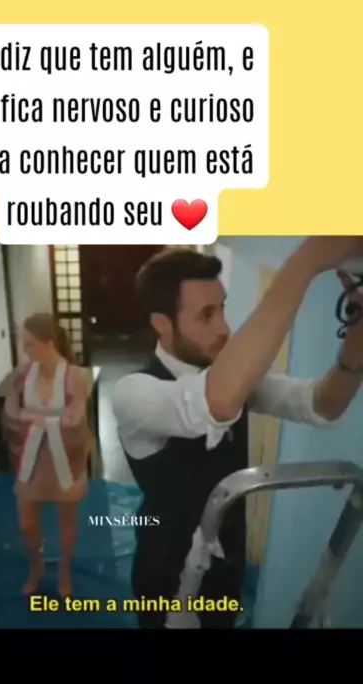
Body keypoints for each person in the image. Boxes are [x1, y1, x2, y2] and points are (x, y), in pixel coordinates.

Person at [112, 238, 363, 629]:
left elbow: (322, 404)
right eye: (205, 316)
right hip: (168, 575)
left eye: (222, 309)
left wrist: (356, 341)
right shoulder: (134, 393)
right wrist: (308, 259)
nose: (223, 328)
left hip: (227, 565)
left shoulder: (231, 376)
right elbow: (217, 402)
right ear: (161, 323)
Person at [3, 313, 91, 597]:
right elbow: (10, 413)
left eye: (30, 344)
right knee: (27, 524)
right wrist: (36, 418)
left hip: (64, 457)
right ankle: (36, 566)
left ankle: (64, 572)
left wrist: (38, 418)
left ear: (49, 343)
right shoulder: (22, 374)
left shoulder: (74, 376)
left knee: (67, 522)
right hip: (31, 457)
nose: (25, 350)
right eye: (24, 343)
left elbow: (77, 419)